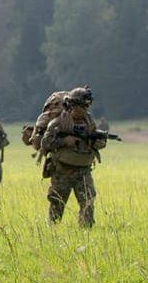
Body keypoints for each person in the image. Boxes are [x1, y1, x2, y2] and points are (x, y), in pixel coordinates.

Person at [37, 86, 107, 227]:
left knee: (88, 200)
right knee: (57, 202)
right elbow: (45, 143)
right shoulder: (59, 123)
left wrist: (97, 142)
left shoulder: (89, 122)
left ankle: (86, 232)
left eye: (87, 105)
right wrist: (64, 141)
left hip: (83, 169)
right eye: (83, 106)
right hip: (63, 170)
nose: (86, 109)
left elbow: (99, 143)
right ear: (73, 105)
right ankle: (53, 231)